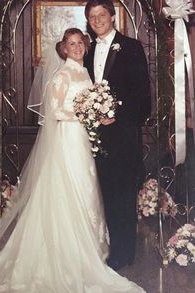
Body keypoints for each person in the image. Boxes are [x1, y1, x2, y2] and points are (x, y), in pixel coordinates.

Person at [0, 28, 145, 293]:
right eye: (72, 43)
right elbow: (55, 110)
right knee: (68, 190)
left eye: (81, 42)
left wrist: (93, 112)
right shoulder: (62, 74)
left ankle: (87, 249)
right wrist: (84, 112)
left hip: (84, 140)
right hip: (68, 139)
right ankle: (66, 252)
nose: (77, 46)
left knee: (86, 189)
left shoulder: (84, 72)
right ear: (63, 49)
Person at [84, 0, 151, 271]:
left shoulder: (132, 47)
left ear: (113, 16)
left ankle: (124, 254)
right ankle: (108, 248)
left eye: (102, 14)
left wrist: (117, 115)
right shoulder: (88, 53)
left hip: (122, 135)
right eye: (92, 17)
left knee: (123, 196)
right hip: (94, 139)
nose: (97, 20)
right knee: (104, 196)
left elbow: (142, 95)